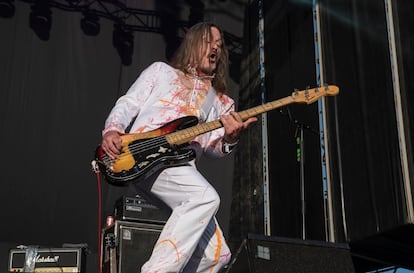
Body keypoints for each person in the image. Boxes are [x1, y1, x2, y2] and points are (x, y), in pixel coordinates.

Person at [100, 22, 256, 273]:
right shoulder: (161, 72)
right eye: (209, 41)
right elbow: (129, 102)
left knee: (216, 255)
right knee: (204, 197)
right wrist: (112, 129)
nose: (215, 47)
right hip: (140, 154)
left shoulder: (222, 102)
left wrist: (230, 139)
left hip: (180, 166)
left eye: (219, 44)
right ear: (193, 43)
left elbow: (212, 148)